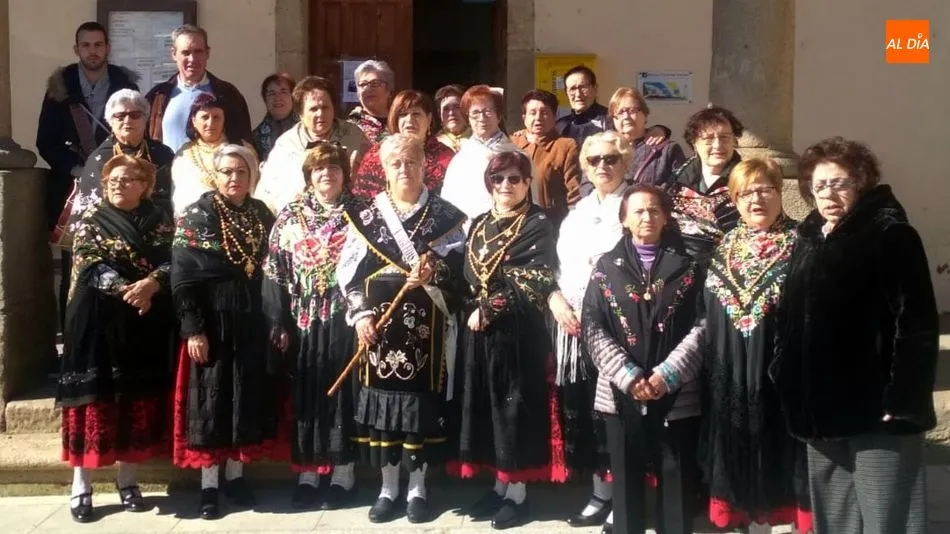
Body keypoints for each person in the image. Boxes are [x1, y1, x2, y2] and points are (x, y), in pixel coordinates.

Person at [772, 137, 938, 534]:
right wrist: (785, 372)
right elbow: (791, 316)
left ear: (861, 183)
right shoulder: (810, 238)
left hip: (876, 412)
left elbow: (916, 326)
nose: (829, 193)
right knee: (836, 520)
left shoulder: (891, 235)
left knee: (887, 519)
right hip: (818, 411)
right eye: (820, 184)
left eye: (840, 182)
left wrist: (902, 401)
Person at [660, 159, 811, 533]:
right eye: (745, 193)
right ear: (734, 200)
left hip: (780, 375)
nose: (755, 199)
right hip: (728, 374)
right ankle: (749, 519)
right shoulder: (725, 245)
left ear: (780, 193)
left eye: (765, 190)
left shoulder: (803, 245)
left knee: (781, 450)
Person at [337, 133, 466, 524]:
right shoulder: (365, 215)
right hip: (378, 329)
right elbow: (348, 273)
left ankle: (417, 488)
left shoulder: (447, 217)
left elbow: (463, 275)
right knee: (385, 412)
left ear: (425, 165)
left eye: (411, 161)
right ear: (385, 169)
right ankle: (387, 487)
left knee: (418, 411)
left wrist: (436, 270)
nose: (404, 169)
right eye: (396, 163)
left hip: (427, 329)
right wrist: (360, 315)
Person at [57, 155, 175, 523]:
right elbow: (92, 263)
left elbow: (173, 257)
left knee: (131, 401)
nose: (117, 185)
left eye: (126, 179)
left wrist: (153, 283)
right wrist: (132, 289)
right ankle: (82, 485)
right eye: (112, 180)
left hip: (141, 321)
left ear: (145, 185)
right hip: (96, 320)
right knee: (93, 401)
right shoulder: (92, 220)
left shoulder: (159, 220)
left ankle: (128, 480)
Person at [455, 151, 567, 530]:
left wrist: (492, 307)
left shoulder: (537, 224)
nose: (506, 186)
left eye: (515, 179)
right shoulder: (480, 223)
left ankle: (518, 495)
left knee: (512, 409)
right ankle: (500, 485)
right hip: (480, 334)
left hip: (517, 333)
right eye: (498, 178)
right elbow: (469, 272)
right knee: (488, 407)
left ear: (527, 183)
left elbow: (536, 276)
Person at [582, 184, 703, 534]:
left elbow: (702, 324)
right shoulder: (606, 267)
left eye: (654, 210)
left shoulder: (689, 267)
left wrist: (668, 374)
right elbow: (592, 323)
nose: (646, 217)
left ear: (666, 217)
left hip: (676, 391)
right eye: (638, 211)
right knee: (625, 477)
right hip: (621, 390)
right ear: (624, 219)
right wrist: (628, 375)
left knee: (675, 473)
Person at [171, 144, 278, 520]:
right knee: (211, 402)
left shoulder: (261, 214)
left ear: (252, 177)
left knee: (243, 397)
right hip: (212, 322)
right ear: (215, 176)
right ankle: (209, 486)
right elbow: (184, 278)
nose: (234, 178)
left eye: (242, 172)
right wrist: (193, 329)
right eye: (227, 172)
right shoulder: (197, 216)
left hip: (250, 320)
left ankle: (236, 476)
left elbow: (272, 270)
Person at [262, 143, 359, 510]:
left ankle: (342, 472)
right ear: (309, 175)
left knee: (342, 390)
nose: (327, 174)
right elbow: (274, 271)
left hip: (344, 316)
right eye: (319, 169)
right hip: (302, 317)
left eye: (334, 167)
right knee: (306, 391)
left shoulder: (361, 213)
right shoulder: (290, 216)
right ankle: (307, 472)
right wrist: (277, 320)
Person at [552, 131, 634, 531]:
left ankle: (623, 497)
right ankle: (599, 491)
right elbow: (562, 266)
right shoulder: (579, 210)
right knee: (586, 412)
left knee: (616, 414)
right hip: (575, 328)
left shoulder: (636, 206)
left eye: (612, 158)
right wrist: (559, 301)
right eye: (595, 159)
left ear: (626, 162)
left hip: (619, 330)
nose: (603, 165)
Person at [37, 21, 138, 329]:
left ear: (107, 47)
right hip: (73, 190)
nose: (92, 51)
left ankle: (112, 337)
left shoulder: (125, 85)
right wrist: (77, 168)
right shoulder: (60, 86)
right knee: (74, 267)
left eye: (98, 45)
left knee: (119, 260)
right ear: (77, 49)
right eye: (86, 45)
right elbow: (45, 141)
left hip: (117, 187)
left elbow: (135, 134)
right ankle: (73, 338)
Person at [66, 89, 174, 244]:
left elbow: (172, 198)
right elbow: (94, 209)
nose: (127, 120)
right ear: (111, 121)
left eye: (135, 115)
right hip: (110, 236)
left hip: (158, 234)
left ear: (145, 119)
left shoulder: (163, 154)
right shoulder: (99, 159)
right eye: (120, 116)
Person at [257, 76, 369, 213]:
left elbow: (373, 180)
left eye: (325, 107)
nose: (320, 114)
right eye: (313, 109)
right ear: (300, 114)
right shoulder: (285, 146)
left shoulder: (355, 137)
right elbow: (267, 195)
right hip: (300, 221)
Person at [145, 25, 252, 152]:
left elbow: (242, 143)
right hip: (168, 171)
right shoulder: (158, 96)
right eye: (186, 52)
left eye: (198, 51)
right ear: (174, 54)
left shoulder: (228, 94)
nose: (192, 59)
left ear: (207, 53)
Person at [666, 105, 745, 268]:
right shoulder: (676, 182)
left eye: (724, 137)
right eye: (709, 139)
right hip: (680, 268)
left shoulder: (748, 179)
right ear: (694, 143)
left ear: (734, 141)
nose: (717, 145)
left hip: (730, 270)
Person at [441, 85, 529, 223]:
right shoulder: (459, 160)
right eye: (475, 113)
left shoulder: (519, 157)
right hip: (468, 233)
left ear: (499, 116)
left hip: (512, 231)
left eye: (487, 111)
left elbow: (531, 201)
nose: (481, 118)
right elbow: (448, 204)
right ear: (468, 119)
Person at [351, 90, 454, 198]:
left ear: (428, 119)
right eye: (403, 114)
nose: (409, 120)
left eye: (416, 114)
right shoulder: (376, 155)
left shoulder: (446, 156)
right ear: (396, 120)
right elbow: (362, 199)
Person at [170, 93, 256, 214]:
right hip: (196, 222)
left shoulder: (242, 149)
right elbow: (179, 198)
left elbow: (254, 189)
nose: (210, 123)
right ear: (194, 121)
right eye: (205, 117)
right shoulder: (184, 155)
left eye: (216, 117)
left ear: (224, 119)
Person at [510, 89, 581, 227]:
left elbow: (574, 192)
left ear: (555, 117)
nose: (538, 118)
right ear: (524, 117)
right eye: (532, 112)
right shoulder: (512, 143)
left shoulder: (565, 146)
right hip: (515, 224)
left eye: (545, 112)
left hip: (552, 224)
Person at [608, 87, 685, 187]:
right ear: (614, 119)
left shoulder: (668, 150)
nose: (626, 116)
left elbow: (679, 186)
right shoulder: (604, 148)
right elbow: (588, 184)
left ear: (645, 115)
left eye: (632, 110)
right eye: (620, 112)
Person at [253, 72, 299, 160]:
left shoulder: (305, 129)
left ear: (293, 97)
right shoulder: (256, 137)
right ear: (265, 99)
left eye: (283, 92)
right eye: (272, 93)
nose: (278, 98)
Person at [348, 59, 394, 144]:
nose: (368, 89)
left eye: (375, 83)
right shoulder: (349, 127)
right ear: (358, 92)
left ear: (389, 89)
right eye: (363, 84)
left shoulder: (400, 121)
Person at [434, 84, 470, 152]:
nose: (451, 113)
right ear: (439, 114)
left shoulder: (481, 139)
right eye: (446, 109)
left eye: (457, 107)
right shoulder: (433, 142)